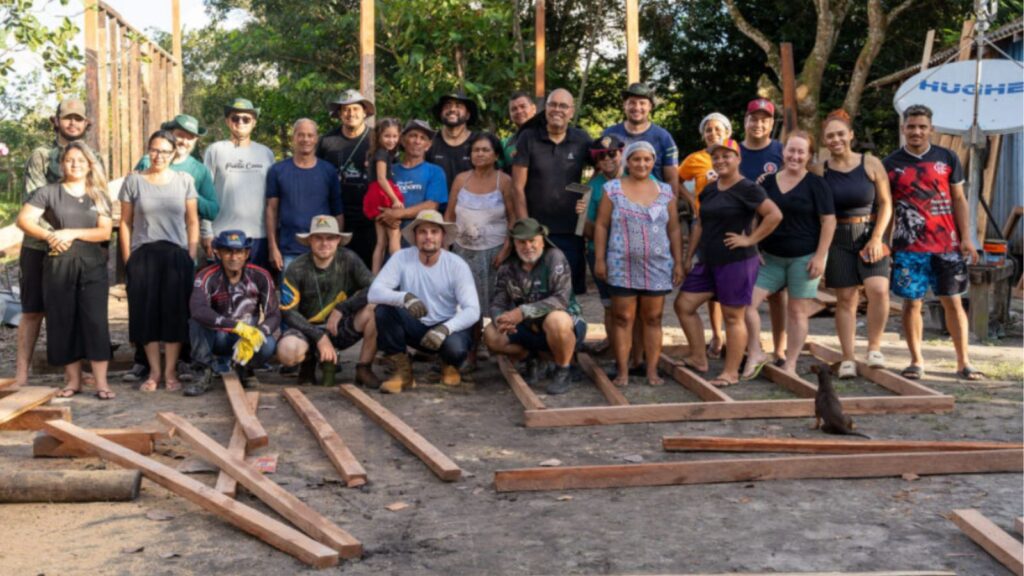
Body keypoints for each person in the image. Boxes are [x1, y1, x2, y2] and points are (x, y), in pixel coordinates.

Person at [884, 104, 982, 381]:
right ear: (903, 128)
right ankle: (916, 361)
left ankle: (964, 362)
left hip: (947, 246)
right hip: (908, 248)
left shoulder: (948, 157)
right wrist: (884, 242)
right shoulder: (890, 164)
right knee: (912, 304)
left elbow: (959, 200)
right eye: (911, 126)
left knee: (952, 301)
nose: (916, 131)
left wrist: (966, 238)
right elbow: (886, 206)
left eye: (922, 127)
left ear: (931, 129)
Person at [674, 139, 782, 386]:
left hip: (736, 261)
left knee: (733, 317)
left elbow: (774, 215)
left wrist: (750, 240)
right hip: (708, 260)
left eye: (727, 156)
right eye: (716, 157)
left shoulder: (748, 189)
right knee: (683, 305)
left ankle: (730, 372)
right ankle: (698, 358)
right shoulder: (710, 188)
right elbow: (700, 223)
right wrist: (689, 256)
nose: (720, 160)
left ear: (738, 158)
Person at [16, 142, 115, 399]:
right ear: (62, 164)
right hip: (58, 264)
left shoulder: (99, 195)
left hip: (92, 265)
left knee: (95, 321)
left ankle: (102, 383)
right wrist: (49, 236)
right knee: (63, 320)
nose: (75, 164)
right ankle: (73, 381)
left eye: (81, 160)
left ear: (89, 165)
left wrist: (72, 233)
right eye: (70, 160)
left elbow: (104, 232)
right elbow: (24, 220)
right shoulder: (48, 192)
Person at [741, 131, 836, 379]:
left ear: (808, 155)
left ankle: (790, 363)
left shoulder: (817, 184)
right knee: (747, 303)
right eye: (791, 150)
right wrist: (753, 246)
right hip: (770, 257)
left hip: (803, 258)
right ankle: (755, 351)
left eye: (800, 152)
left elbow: (828, 222)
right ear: (783, 152)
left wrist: (820, 256)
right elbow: (753, 216)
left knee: (797, 311)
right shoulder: (767, 182)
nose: (795, 156)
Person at [16, 98, 95, 388]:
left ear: (87, 123)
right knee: (33, 310)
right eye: (67, 118)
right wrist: (54, 236)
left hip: (76, 247)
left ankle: (72, 373)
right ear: (56, 121)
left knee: (71, 310)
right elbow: (35, 199)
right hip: (39, 245)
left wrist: (74, 236)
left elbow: (94, 199)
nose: (72, 123)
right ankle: (22, 373)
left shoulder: (93, 156)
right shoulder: (41, 155)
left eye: (78, 118)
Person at [594, 141, 684, 387]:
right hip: (621, 264)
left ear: (653, 162)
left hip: (657, 266)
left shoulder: (665, 192)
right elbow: (601, 225)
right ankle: (623, 371)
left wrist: (678, 263)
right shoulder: (612, 189)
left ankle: (651, 370)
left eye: (647, 159)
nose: (641, 164)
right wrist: (600, 259)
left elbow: (674, 229)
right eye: (636, 159)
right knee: (622, 317)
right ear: (627, 162)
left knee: (653, 318)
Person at [119, 130, 200, 392]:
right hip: (144, 255)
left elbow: (192, 220)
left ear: (173, 153)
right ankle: (154, 372)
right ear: (147, 150)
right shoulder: (134, 181)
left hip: (176, 256)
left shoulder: (184, 180)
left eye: (165, 151)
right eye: (154, 150)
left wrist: (191, 253)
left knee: (175, 315)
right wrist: (128, 259)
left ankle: (171, 372)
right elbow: (125, 223)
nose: (159, 156)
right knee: (146, 315)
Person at [368, 210, 480, 393]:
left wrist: (445, 329)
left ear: (443, 236)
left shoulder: (456, 264)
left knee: (456, 347)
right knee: (383, 310)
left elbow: (473, 310)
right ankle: (402, 372)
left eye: (434, 232)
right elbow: (374, 292)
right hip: (417, 326)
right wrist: (404, 298)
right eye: (423, 232)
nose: (428, 237)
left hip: (447, 328)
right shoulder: (401, 258)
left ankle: (449, 365)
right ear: (415, 236)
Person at [819, 109, 893, 378]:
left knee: (878, 289)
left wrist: (877, 238)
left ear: (851, 135)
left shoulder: (871, 163)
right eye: (830, 136)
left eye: (840, 133)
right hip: (837, 236)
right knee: (846, 298)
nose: (836, 139)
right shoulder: (821, 169)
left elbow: (886, 203)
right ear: (825, 141)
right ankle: (848, 357)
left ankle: (874, 348)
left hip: (870, 232)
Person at [276, 215, 380, 388]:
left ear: (338, 240)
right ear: (310, 240)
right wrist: (319, 336)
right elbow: (288, 312)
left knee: (375, 308)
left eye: (330, 238)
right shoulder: (296, 267)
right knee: (287, 351)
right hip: (307, 330)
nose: (325, 243)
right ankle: (307, 363)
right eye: (318, 238)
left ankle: (364, 367)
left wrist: (342, 308)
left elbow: (375, 288)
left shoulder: (349, 259)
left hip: (338, 326)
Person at [484, 218, 586, 394]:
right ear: (514, 243)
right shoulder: (507, 266)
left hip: (564, 325)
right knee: (491, 334)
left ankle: (564, 369)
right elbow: (497, 302)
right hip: (528, 328)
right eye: (522, 242)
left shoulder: (554, 257)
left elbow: (561, 300)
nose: (528, 246)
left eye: (532, 241)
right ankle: (533, 359)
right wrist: (501, 319)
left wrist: (523, 311)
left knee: (556, 320)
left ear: (542, 241)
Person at [445, 132, 515, 369]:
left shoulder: (503, 181)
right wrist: (446, 247)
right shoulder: (460, 179)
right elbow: (450, 215)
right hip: (464, 252)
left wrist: (506, 248)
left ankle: (503, 350)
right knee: (468, 304)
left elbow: (513, 218)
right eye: (476, 150)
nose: (480, 154)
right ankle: (471, 352)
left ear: (496, 155)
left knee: (499, 303)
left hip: (495, 253)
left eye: (485, 150)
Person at [512, 88, 592, 294]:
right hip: (537, 231)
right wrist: (526, 229)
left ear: (572, 111)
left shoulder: (582, 139)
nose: (557, 109)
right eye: (553, 104)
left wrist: (586, 192)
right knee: (534, 291)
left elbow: (604, 167)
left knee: (569, 294)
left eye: (563, 106)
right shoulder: (528, 138)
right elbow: (517, 187)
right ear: (545, 108)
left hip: (571, 231)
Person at [187, 230, 280, 396]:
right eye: (228, 251)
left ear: (247, 253)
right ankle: (203, 371)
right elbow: (198, 309)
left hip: (247, 336)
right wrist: (235, 326)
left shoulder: (261, 275)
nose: (234, 256)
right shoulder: (206, 276)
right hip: (218, 337)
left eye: (239, 251)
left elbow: (274, 314)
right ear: (218, 252)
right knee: (196, 321)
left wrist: (259, 332)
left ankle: (245, 369)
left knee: (268, 344)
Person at [679, 111, 732, 362]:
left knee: (728, 284)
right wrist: (691, 200)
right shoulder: (696, 159)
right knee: (709, 282)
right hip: (703, 224)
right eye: (709, 130)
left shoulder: (735, 154)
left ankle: (733, 342)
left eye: (718, 129)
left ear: (727, 133)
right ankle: (716, 335)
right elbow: (677, 179)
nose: (713, 133)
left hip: (731, 227)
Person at [740, 97, 788, 365]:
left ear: (771, 123)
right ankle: (750, 344)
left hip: (773, 226)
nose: (758, 124)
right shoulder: (734, 150)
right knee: (741, 291)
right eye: (753, 118)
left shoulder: (780, 151)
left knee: (777, 293)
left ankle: (779, 347)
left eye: (764, 119)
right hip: (740, 227)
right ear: (745, 121)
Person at [204, 98, 275, 268]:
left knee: (255, 290)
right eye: (235, 118)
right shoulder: (215, 151)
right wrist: (206, 233)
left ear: (254, 123)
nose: (240, 122)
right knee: (222, 292)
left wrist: (274, 240)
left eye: (246, 119)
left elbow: (272, 199)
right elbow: (205, 193)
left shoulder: (266, 153)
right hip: (222, 235)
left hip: (258, 237)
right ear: (228, 121)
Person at [265, 118, 342, 274]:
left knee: (324, 298)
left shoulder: (328, 171)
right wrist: (273, 247)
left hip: (323, 250)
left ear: (316, 139)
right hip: (289, 250)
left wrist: (336, 249)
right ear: (294, 137)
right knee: (290, 298)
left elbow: (338, 212)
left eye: (310, 135)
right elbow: (271, 210)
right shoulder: (277, 170)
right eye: (301, 135)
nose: (305, 139)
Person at [317, 90, 376, 267]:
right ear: (339, 114)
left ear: (364, 111)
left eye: (356, 108)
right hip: (336, 216)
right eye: (346, 109)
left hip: (369, 218)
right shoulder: (327, 141)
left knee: (367, 270)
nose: (351, 114)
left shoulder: (376, 139)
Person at [601, 82, 682, 205]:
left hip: (653, 207)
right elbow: (599, 171)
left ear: (650, 106)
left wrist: (672, 211)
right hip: (615, 205)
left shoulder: (664, 138)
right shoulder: (609, 135)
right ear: (625, 105)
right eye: (632, 102)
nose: (637, 107)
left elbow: (671, 179)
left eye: (642, 103)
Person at [581, 135, 626, 354]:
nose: (607, 159)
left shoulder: (636, 175)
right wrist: (583, 218)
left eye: (612, 153)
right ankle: (615, 346)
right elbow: (587, 231)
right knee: (610, 305)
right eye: (601, 156)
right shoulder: (593, 187)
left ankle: (633, 349)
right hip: (601, 251)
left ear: (621, 154)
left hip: (630, 252)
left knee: (628, 305)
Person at [134, 114, 219, 226]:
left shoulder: (200, 171)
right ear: (170, 135)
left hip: (180, 238)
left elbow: (212, 211)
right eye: (180, 135)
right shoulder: (148, 162)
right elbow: (129, 202)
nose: (185, 141)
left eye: (190, 137)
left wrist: (190, 194)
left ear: (196, 140)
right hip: (146, 234)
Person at [383, 120, 448, 231]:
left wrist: (398, 214)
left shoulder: (435, 171)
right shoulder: (389, 170)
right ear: (403, 141)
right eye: (413, 136)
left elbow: (431, 206)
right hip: (390, 235)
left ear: (428, 145)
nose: (417, 141)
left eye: (423, 138)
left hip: (422, 239)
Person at [362, 117, 404, 273]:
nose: (391, 140)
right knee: (394, 237)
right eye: (387, 136)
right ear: (378, 136)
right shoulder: (382, 154)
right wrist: (394, 199)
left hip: (375, 195)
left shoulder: (374, 153)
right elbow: (381, 178)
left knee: (381, 242)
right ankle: (398, 274)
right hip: (382, 195)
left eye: (395, 136)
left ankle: (375, 276)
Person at [428, 91, 478, 189]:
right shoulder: (429, 141)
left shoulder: (478, 142)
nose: (452, 109)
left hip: (471, 202)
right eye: (447, 106)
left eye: (458, 106)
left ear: (468, 115)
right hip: (436, 203)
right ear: (441, 113)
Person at [500, 90, 537, 170]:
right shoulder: (505, 144)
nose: (519, 111)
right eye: (514, 109)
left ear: (534, 109)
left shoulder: (549, 137)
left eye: (523, 107)